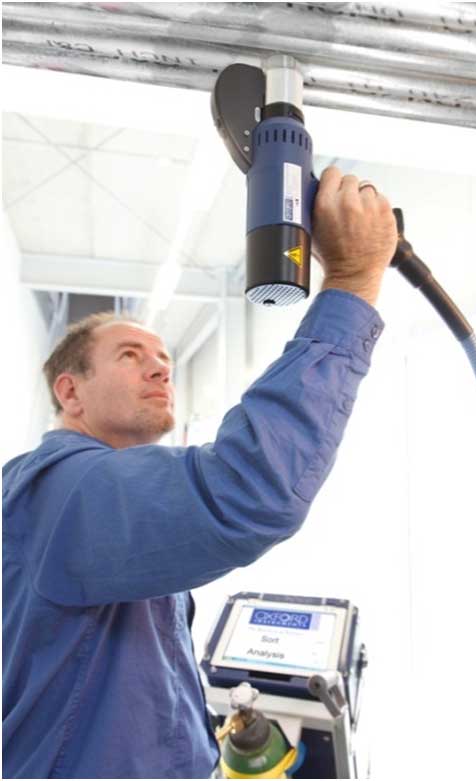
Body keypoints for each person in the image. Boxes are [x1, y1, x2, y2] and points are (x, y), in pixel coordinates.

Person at [2, 166, 397, 779]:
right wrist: (350, 283)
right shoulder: (64, 489)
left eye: (163, 358)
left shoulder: (104, 501)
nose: (161, 369)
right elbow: (247, 491)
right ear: (70, 392)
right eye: (130, 356)